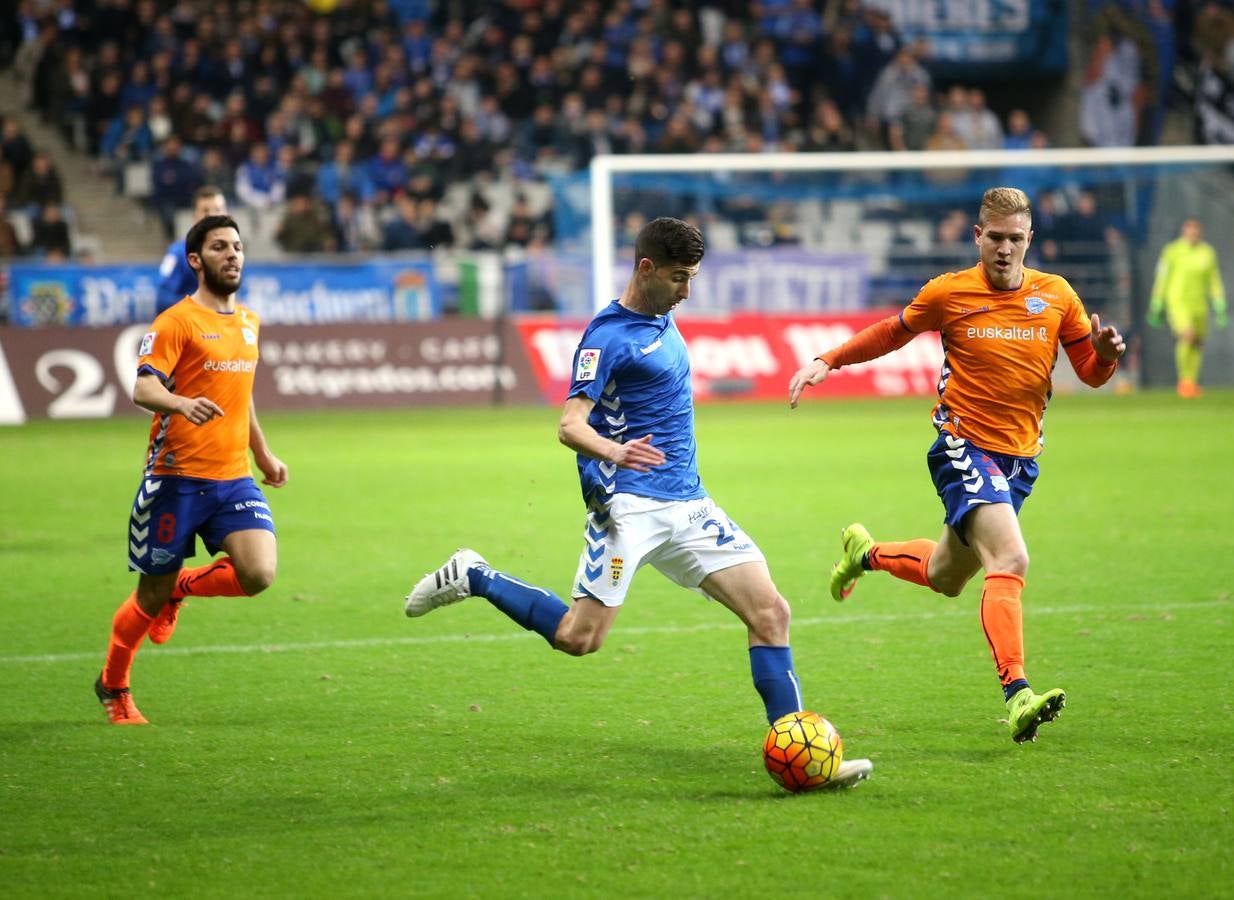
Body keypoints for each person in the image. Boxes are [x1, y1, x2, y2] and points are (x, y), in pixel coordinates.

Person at [404, 217, 871, 788]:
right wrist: (614, 452)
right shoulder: (605, 338)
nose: (687, 291)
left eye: (692, 277)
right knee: (579, 638)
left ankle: (804, 756)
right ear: (646, 268)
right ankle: (475, 574)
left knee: (771, 613)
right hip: (629, 508)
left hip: (690, 505)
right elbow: (569, 425)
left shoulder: (661, 316)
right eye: (679, 278)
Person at [788, 187, 1127, 744]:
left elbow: (1089, 372)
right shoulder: (949, 292)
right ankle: (1018, 694)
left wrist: (1107, 357)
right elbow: (892, 331)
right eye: (994, 237)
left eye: (1014, 239)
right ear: (977, 236)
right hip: (962, 444)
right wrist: (829, 360)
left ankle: (864, 554)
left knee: (946, 576)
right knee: (1010, 558)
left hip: (1020, 459)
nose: (1004, 249)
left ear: (1029, 239)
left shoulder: (1056, 295)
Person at [94, 214, 289, 725]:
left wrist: (263, 454)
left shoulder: (249, 322)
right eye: (220, 247)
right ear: (196, 261)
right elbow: (143, 387)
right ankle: (113, 684)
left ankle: (182, 588)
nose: (233, 255)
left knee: (259, 573)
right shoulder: (175, 322)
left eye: (237, 246)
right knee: (148, 596)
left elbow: (242, 396)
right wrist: (181, 403)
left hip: (233, 478)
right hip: (175, 480)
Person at [1147, 218, 1226, 397]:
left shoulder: (1207, 253)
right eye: (1189, 229)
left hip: (1199, 304)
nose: (1193, 232)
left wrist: (1219, 302)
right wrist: (1157, 301)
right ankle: (1184, 381)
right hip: (1178, 302)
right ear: (1184, 231)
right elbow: (1162, 277)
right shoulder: (1172, 251)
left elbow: (1214, 280)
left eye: (1196, 229)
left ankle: (1191, 381)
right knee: (1187, 336)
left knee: (1197, 343)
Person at [156, 185, 227, 313]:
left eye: (218, 209)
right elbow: (162, 298)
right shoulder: (178, 253)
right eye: (206, 211)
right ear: (195, 216)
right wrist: (200, 307)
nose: (213, 216)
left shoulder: (232, 255)